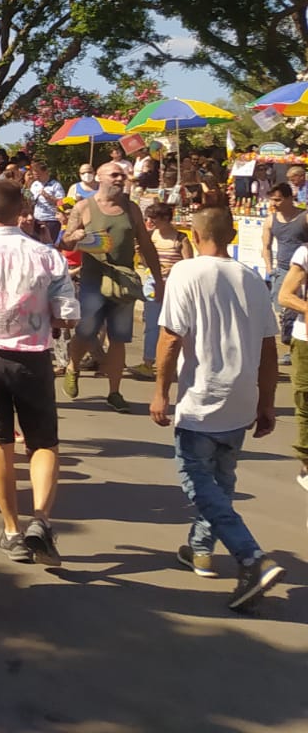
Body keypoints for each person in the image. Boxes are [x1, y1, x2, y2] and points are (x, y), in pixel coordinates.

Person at [150, 206, 285, 609]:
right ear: (229, 234)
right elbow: (268, 348)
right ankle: (200, 548)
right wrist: (266, 402)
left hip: (202, 398)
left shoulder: (186, 273)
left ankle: (251, 556)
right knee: (221, 482)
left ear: (195, 231)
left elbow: (170, 339)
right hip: (240, 398)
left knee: (199, 484)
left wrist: (161, 391)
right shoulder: (252, 279)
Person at [0, 179, 79, 567]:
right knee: (43, 443)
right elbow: (67, 314)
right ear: (23, 211)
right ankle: (41, 518)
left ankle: (12, 529)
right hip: (33, 355)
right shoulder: (46, 255)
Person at [62, 160, 163, 413]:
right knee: (86, 331)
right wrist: (73, 237)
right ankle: (72, 365)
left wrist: (158, 279)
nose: (121, 179)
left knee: (119, 338)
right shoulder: (84, 207)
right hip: (93, 280)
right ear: (99, 177)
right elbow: (65, 243)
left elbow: (147, 244)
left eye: (123, 175)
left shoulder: (132, 209)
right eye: (115, 175)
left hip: (123, 282)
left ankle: (115, 392)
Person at [126, 201, 194, 382]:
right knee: (151, 325)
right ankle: (148, 364)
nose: (150, 221)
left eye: (153, 218)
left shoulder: (181, 239)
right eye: (148, 217)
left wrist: (172, 270)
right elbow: (146, 264)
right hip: (153, 283)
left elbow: (189, 265)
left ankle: (174, 365)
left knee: (175, 326)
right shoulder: (150, 237)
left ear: (166, 218)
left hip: (175, 285)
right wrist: (141, 254)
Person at [274, 239, 308, 504]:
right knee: (306, 400)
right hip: (306, 340)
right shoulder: (305, 253)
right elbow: (285, 295)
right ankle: (307, 464)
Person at [260, 182, 306, 369]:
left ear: (289, 198)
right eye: (272, 199)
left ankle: (294, 348)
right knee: (283, 311)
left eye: (278, 199)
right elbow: (266, 246)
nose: (275, 203)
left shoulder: (303, 218)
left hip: (301, 271)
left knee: (298, 309)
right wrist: (270, 268)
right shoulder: (271, 220)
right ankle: (290, 344)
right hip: (282, 270)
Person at [27, 161, 66, 245]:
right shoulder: (34, 184)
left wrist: (48, 197)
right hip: (37, 219)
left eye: (37, 173)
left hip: (51, 220)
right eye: (34, 173)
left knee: (49, 245)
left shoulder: (55, 185)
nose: (35, 175)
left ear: (45, 172)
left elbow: (62, 203)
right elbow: (30, 199)